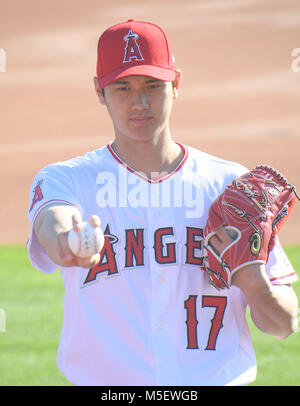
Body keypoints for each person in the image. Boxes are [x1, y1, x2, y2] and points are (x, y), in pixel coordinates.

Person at [27, 19, 298, 386]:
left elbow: (284, 325)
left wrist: (254, 282)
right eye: (122, 87)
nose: (139, 102)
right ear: (99, 91)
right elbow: (51, 222)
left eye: (153, 86)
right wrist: (66, 240)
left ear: (176, 85)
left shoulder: (230, 186)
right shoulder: (68, 180)